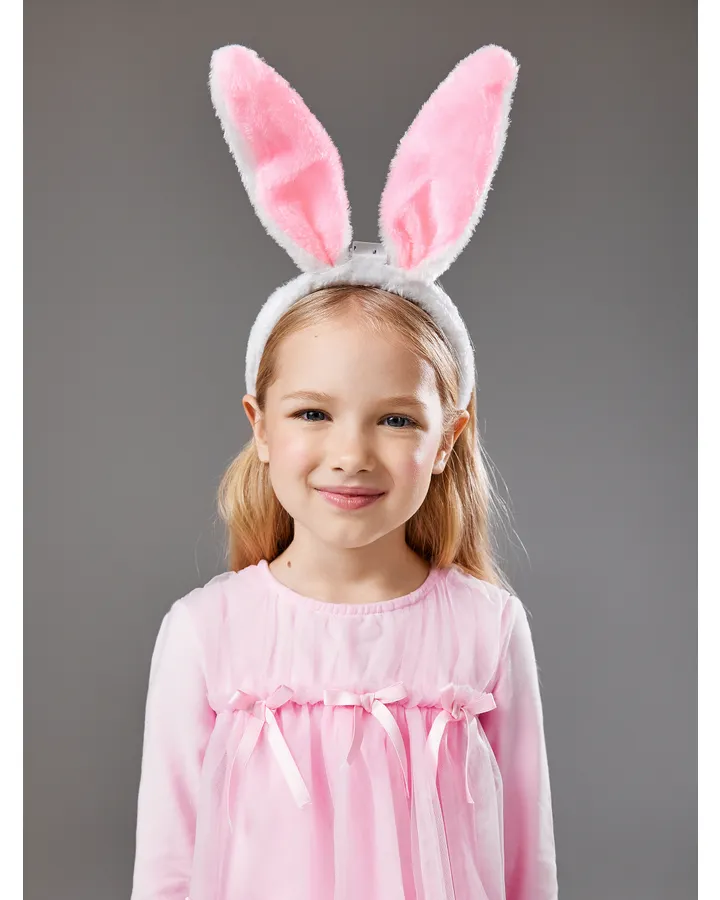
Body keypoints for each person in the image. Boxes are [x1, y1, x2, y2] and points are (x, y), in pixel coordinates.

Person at [130, 43, 559, 900]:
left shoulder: (487, 630)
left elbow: (526, 863)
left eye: (396, 419)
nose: (352, 453)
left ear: (447, 439)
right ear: (259, 426)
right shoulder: (206, 634)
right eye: (312, 414)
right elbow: (168, 867)